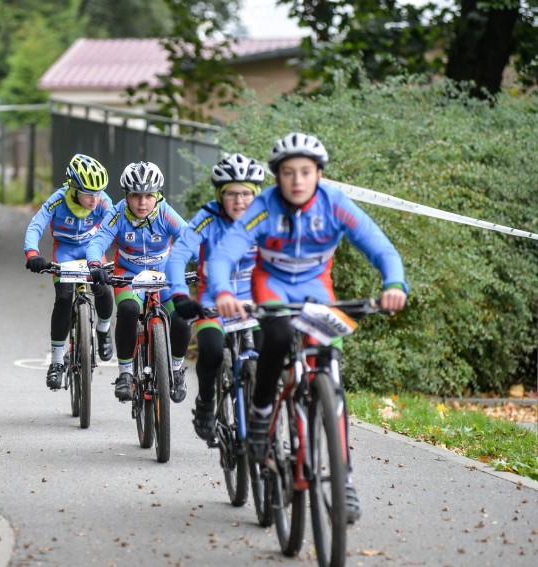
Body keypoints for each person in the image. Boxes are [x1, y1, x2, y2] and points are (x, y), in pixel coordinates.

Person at [208, 132, 408, 523]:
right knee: (278, 336)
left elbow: (380, 247)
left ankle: (343, 477)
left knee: (329, 357)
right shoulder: (264, 207)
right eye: (288, 173)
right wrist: (221, 291)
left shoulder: (335, 205)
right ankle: (263, 413)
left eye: (305, 172)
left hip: (317, 288)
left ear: (319, 173)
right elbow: (226, 251)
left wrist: (394, 285)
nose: (297, 180)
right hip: (273, 285)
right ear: (277, 176)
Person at [166, 153, 266, 440]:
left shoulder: (264, 218)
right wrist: (180, 294)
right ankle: (207, 403)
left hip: (253, 300)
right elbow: (179, 255)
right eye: (231, 194)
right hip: (213, 301)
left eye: (246, 193)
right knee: (209, 352)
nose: (239, 201)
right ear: (220, 195)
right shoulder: (208, 217)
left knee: (271, 351)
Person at [86, 161, 192, 403]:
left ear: (158, 195)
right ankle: (125, 374)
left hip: (165, 275)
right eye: (135, 196)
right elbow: (98, 240)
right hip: (129, 274)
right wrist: (94, 263)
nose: (142, 203)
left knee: (183, 316)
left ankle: (175, 370)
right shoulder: (117, 212)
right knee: (128, 309)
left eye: (148, 196)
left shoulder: (165, 212)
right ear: (126, 195)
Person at [24, 154, 116, 389]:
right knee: (64, 298)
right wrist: (32, 254)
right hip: (64, 251)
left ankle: (104, 330)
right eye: (88, 193)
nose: (94, 199)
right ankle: (56, 362)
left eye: (98, 192)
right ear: (73, 188)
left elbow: (117, 224)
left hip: (91, 249)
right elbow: (36, 225)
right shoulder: (58, 199)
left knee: (104, 289)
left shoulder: (102, 201)